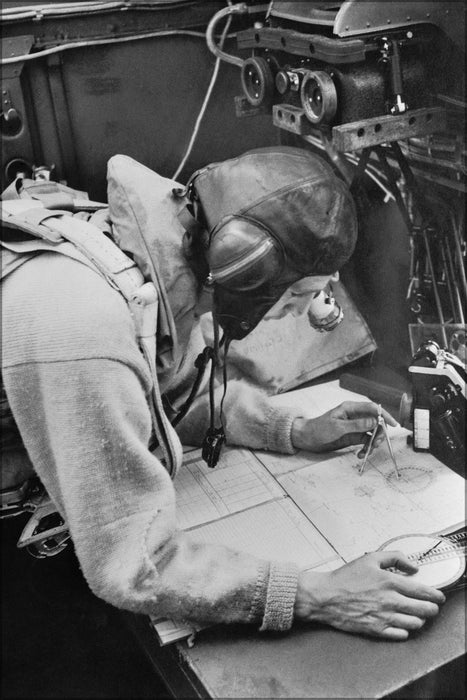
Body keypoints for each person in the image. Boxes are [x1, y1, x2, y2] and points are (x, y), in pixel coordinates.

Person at [1, 146, 444, 640]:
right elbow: (137, 563)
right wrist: (320, 593)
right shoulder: (82, 323)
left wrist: (292, 430)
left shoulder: (152, 267)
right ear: (242, 271)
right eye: (298, 295)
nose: (302, 311)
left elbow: (175, 390)